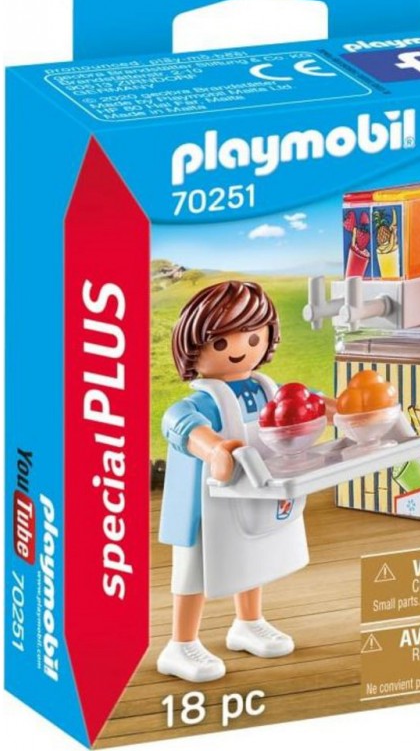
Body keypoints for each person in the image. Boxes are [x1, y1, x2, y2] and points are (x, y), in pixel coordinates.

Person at [157, 280, 328, 683]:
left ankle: (248, 623)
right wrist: (214, 448)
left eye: (252, 337)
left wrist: (337, 408)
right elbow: (179, 423)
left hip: (254, 491)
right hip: (202, 505)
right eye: (220, 342)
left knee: (254, 555)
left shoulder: (266, 389)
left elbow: (303, 401)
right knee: (193, 573)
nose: (240, 349)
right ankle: (180, 644)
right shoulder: (202, 400)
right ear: (193, 347)